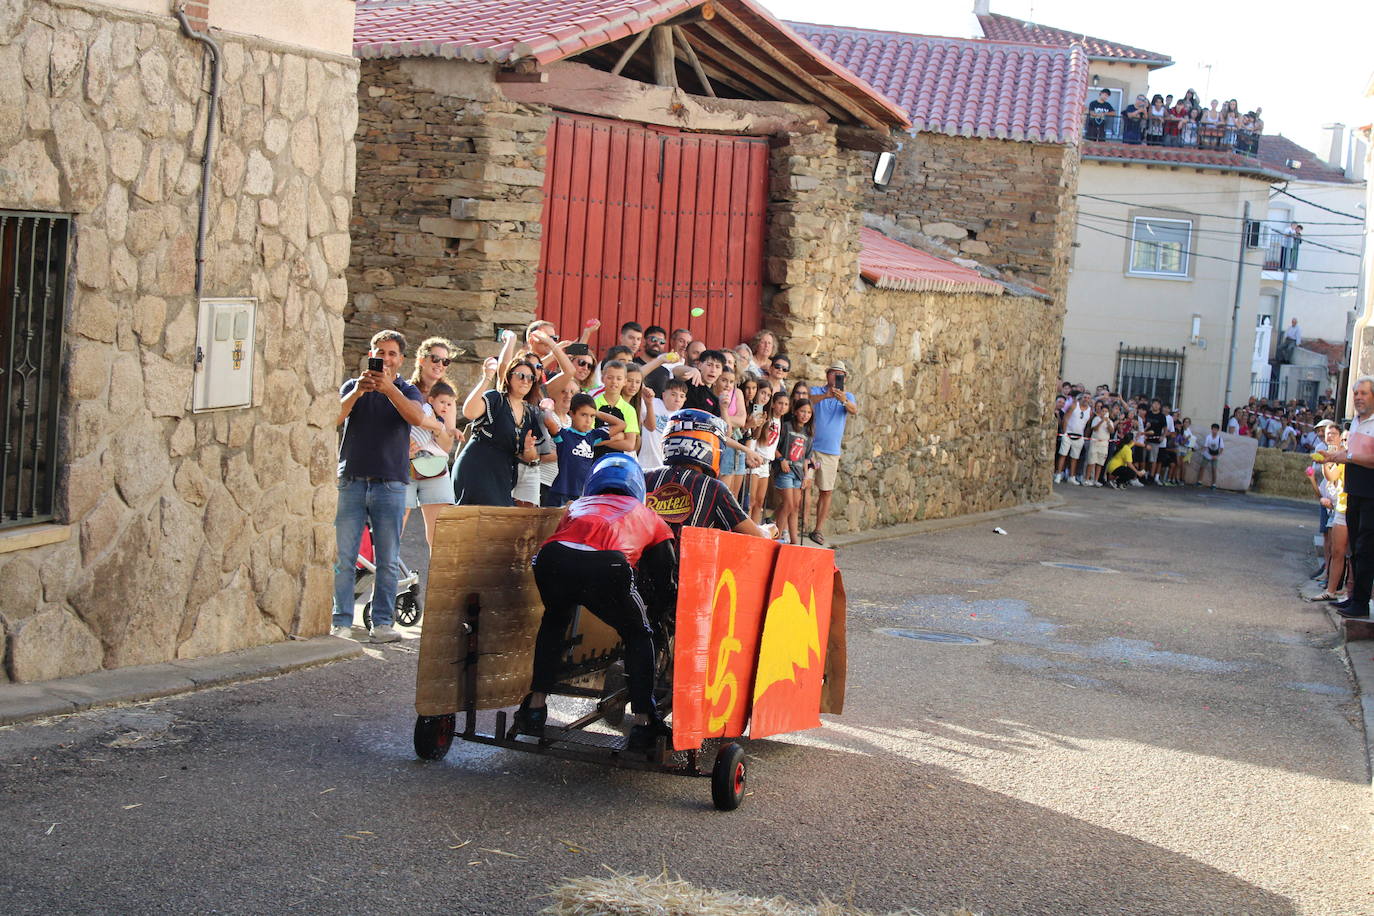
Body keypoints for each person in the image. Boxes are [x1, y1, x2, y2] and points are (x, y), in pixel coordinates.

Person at [514, 455, 679, 751]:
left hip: (551, 559)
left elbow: (570, 544)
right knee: (639, 634)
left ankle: (535, 706)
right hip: (607, 567)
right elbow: (665, 578)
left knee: (554, 622)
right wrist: (656, 613)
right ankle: (643, 722)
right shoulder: (649, 516)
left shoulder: (577, 506)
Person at [331, 330, 427, 643]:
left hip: (390, 484)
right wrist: (359, 391)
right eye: (379, 352)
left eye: (391, 354)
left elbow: (415, 417)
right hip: (353, 481)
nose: (385, 358)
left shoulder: (407, 389)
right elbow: (333, 417)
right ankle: (341, 621)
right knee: (345, 559)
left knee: (387, 560)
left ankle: (382, 625)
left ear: (401, 360)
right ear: (370, 353)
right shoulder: (353, 387)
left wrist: (389, 391)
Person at [643, 409, 770, 539]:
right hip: (686, 558)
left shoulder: (644, 477)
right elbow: (755, 535)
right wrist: (767, 531)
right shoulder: (714, 488)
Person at [451, 356, 540, 506]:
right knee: (477, 523)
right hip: (477, 468)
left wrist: (528, 448)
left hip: (502, 476)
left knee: (496, 525)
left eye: (531, 378)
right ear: (509, 377)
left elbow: (529, 457)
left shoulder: (530, 413)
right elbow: (469, 412)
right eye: (521, 376)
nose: (526, 381)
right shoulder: (496, 399)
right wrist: (486, 378)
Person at [1321, 377, 1374, 620]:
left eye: (1363, 393)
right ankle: (1353, 596)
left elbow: (1365, 458)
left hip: (1370, 493)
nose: (1358, 397)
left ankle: (1361, 602)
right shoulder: (1356, 421)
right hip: (1354, 491)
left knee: (1365, 548)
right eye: (1356, 394)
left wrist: (1349, 457)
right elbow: (1350, 454)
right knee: (1355, 547)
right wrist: (1333, 457)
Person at [404, 380, 459, 548]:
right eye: (442, 402)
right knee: (396, 522)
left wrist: (448, 430)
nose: (445, 406)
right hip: (406, 458)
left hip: (432, 467)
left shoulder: (440, 415)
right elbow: (418, 420)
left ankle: (438, 572)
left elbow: (446, 444)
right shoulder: (426, 409)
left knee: (438, 531)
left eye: (449, 404)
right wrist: (437, 427)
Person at [807, 362, 857, 546]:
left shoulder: (848, 396)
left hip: (830, 452)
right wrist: (826, 396)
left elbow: (854, 410)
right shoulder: (816, 390)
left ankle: (817, 529)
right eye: (834, 373)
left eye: (840, 375)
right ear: (827, 374)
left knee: (826, 491)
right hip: (811, 449)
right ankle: (800, 525)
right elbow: (807, 401)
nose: (836, 377)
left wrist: (842, 399)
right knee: (804, 486)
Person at [547, 393, 627, 505]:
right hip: (561, 492)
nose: (588, 420)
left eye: (592, 416)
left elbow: (621, 424)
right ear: (572, 414)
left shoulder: (592, 436)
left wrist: (596, 412)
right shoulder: (564, 435)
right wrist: (547, 410)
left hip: (583, 493)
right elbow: (549, 422)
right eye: (583, 415)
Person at [775, 399, 815, 545]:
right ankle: (777, 538)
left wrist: (806, 476)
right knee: (788, 504)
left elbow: (806, 458)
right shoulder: (786, 427)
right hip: (786, 470)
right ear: (796, 411)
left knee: (794, 507)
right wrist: (781, 460)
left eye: (809, 412)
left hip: (798, 474)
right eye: (803, 411)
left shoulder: (808, 434)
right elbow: (774, 447)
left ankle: (794, 541)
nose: (805, 415)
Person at [1056, 394, 1093, 484]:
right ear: (1081, 398)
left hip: (1079, 436)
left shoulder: (1090, 411)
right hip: (1068, 434)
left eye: (1088, 398)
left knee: (1075, 457)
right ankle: (1058, 474)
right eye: (1085, 397)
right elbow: (1066, 418)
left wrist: (1084, 436)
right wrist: (1065, 432)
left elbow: (1088, 425)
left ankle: (1071, 477)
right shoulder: (1074, 406)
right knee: (1063, 455)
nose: (1086, 399)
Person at [1084, 401, 1113, 487]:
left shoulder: (1110, 421)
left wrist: (1107, 422)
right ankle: (1087, 479)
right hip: (1095, 442)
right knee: (1091, 462)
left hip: (1104, 444)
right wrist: (1101, 421)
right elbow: (1095, 429)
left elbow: (1111, 431)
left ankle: (1096, 480)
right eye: (1103, 411)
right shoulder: (1096, 419)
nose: (1104, 413)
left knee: (1100, 463)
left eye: (1106, 411)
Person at [1199, 423, 1224, 489]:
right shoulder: (1208, 437)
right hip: (1207, 453)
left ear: (1218, 430)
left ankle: (1214, 484)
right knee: (1202, 467)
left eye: (1216, 429)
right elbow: (1205, 446)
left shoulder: (1220, 439)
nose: (1214, 431)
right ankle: (1199, 481)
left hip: (1215, 454)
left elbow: (1221, 449)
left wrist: (1217, 456)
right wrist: (1202, 451)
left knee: (1214, 469)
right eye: (1213, 429)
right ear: (1211, 429)